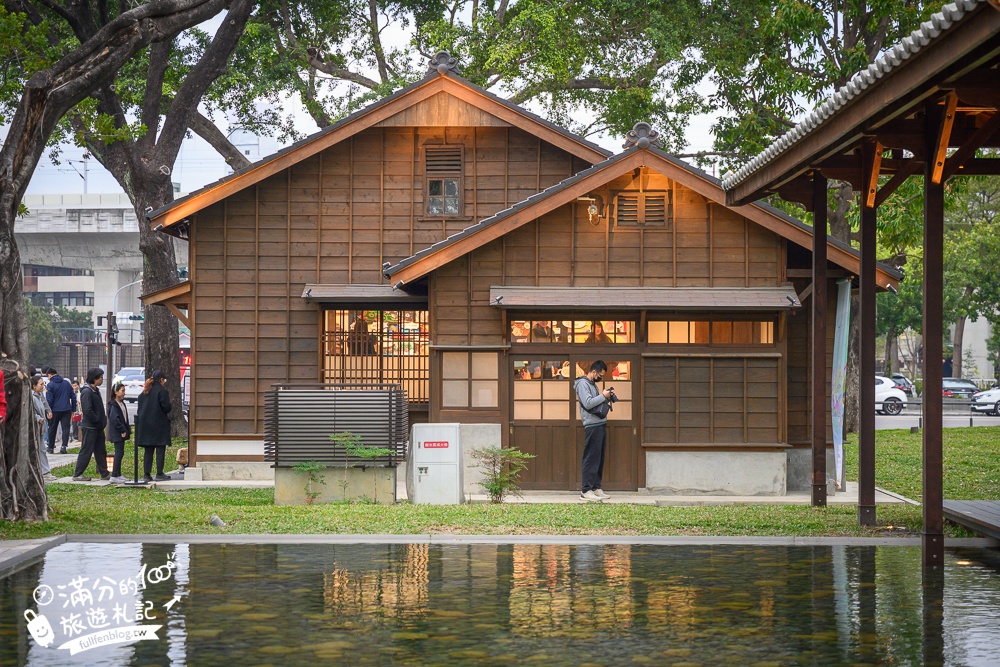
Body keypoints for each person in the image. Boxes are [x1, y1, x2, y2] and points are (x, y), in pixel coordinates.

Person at [574, 360, 613, 502]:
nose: (600, 378)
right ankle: (586, 490)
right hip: (592, 426)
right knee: (591, 458)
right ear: (594, 372)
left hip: (600, 423)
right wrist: (603, 396)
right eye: (600, 375)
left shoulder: (592, 385)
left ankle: (596, 488)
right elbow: (588, 403)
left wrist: (606, 397)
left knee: (599, 458)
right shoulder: (583, 384)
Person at [74, 367, 109, 482]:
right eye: (100, 378)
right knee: (86, 450)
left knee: (100, 450)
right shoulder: (87, 391)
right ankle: (78, 473)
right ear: (95, 378)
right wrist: (97, 420)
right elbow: (87, 410)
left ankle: (104, 472)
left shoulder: (95, 390)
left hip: (97, 428)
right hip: (90, 427)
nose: (102, 380)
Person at [136, 370, 172, 482]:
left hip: (145, 425)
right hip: (158, 424)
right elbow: (166, 407)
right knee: (160, 448)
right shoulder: (162, 391)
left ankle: (147, 473)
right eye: (164, 380)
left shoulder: (145, 391)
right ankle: (159, 473)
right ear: (161, 380)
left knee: (148, 450)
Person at [30, 375, 56, 482]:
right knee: (40, 449)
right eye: (40, 384)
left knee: (42, 449)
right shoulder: (31, 397)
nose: (42, 386)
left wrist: (48, 411)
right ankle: (44, 472)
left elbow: (45, 403)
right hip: (35, 427)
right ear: (34, 386)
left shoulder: (39, 395)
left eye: (43, 384)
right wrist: (37, 418)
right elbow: (29, 411)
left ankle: (43, 471)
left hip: (40, 427)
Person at [45, 367, 77, 454]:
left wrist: (49, 411)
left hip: (54, 410)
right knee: (65, 428)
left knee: (52, 428)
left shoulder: (50, 385)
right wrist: (73, 409)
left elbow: (49, 400)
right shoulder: (66, 383)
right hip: (66, 409)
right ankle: (64, 446)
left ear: (50, 375)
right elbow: (73, 397)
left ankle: (51, 447)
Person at [106, 381, 132, 483]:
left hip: (122, 431)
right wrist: (122, 429)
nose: (124, 393)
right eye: (122, 390)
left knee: (120, 453)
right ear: (116, 392)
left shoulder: (121, 403)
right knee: (119, 453)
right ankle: (115, 475)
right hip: (118, 432)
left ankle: (118, 474)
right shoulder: (113, 405)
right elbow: (114, 419)